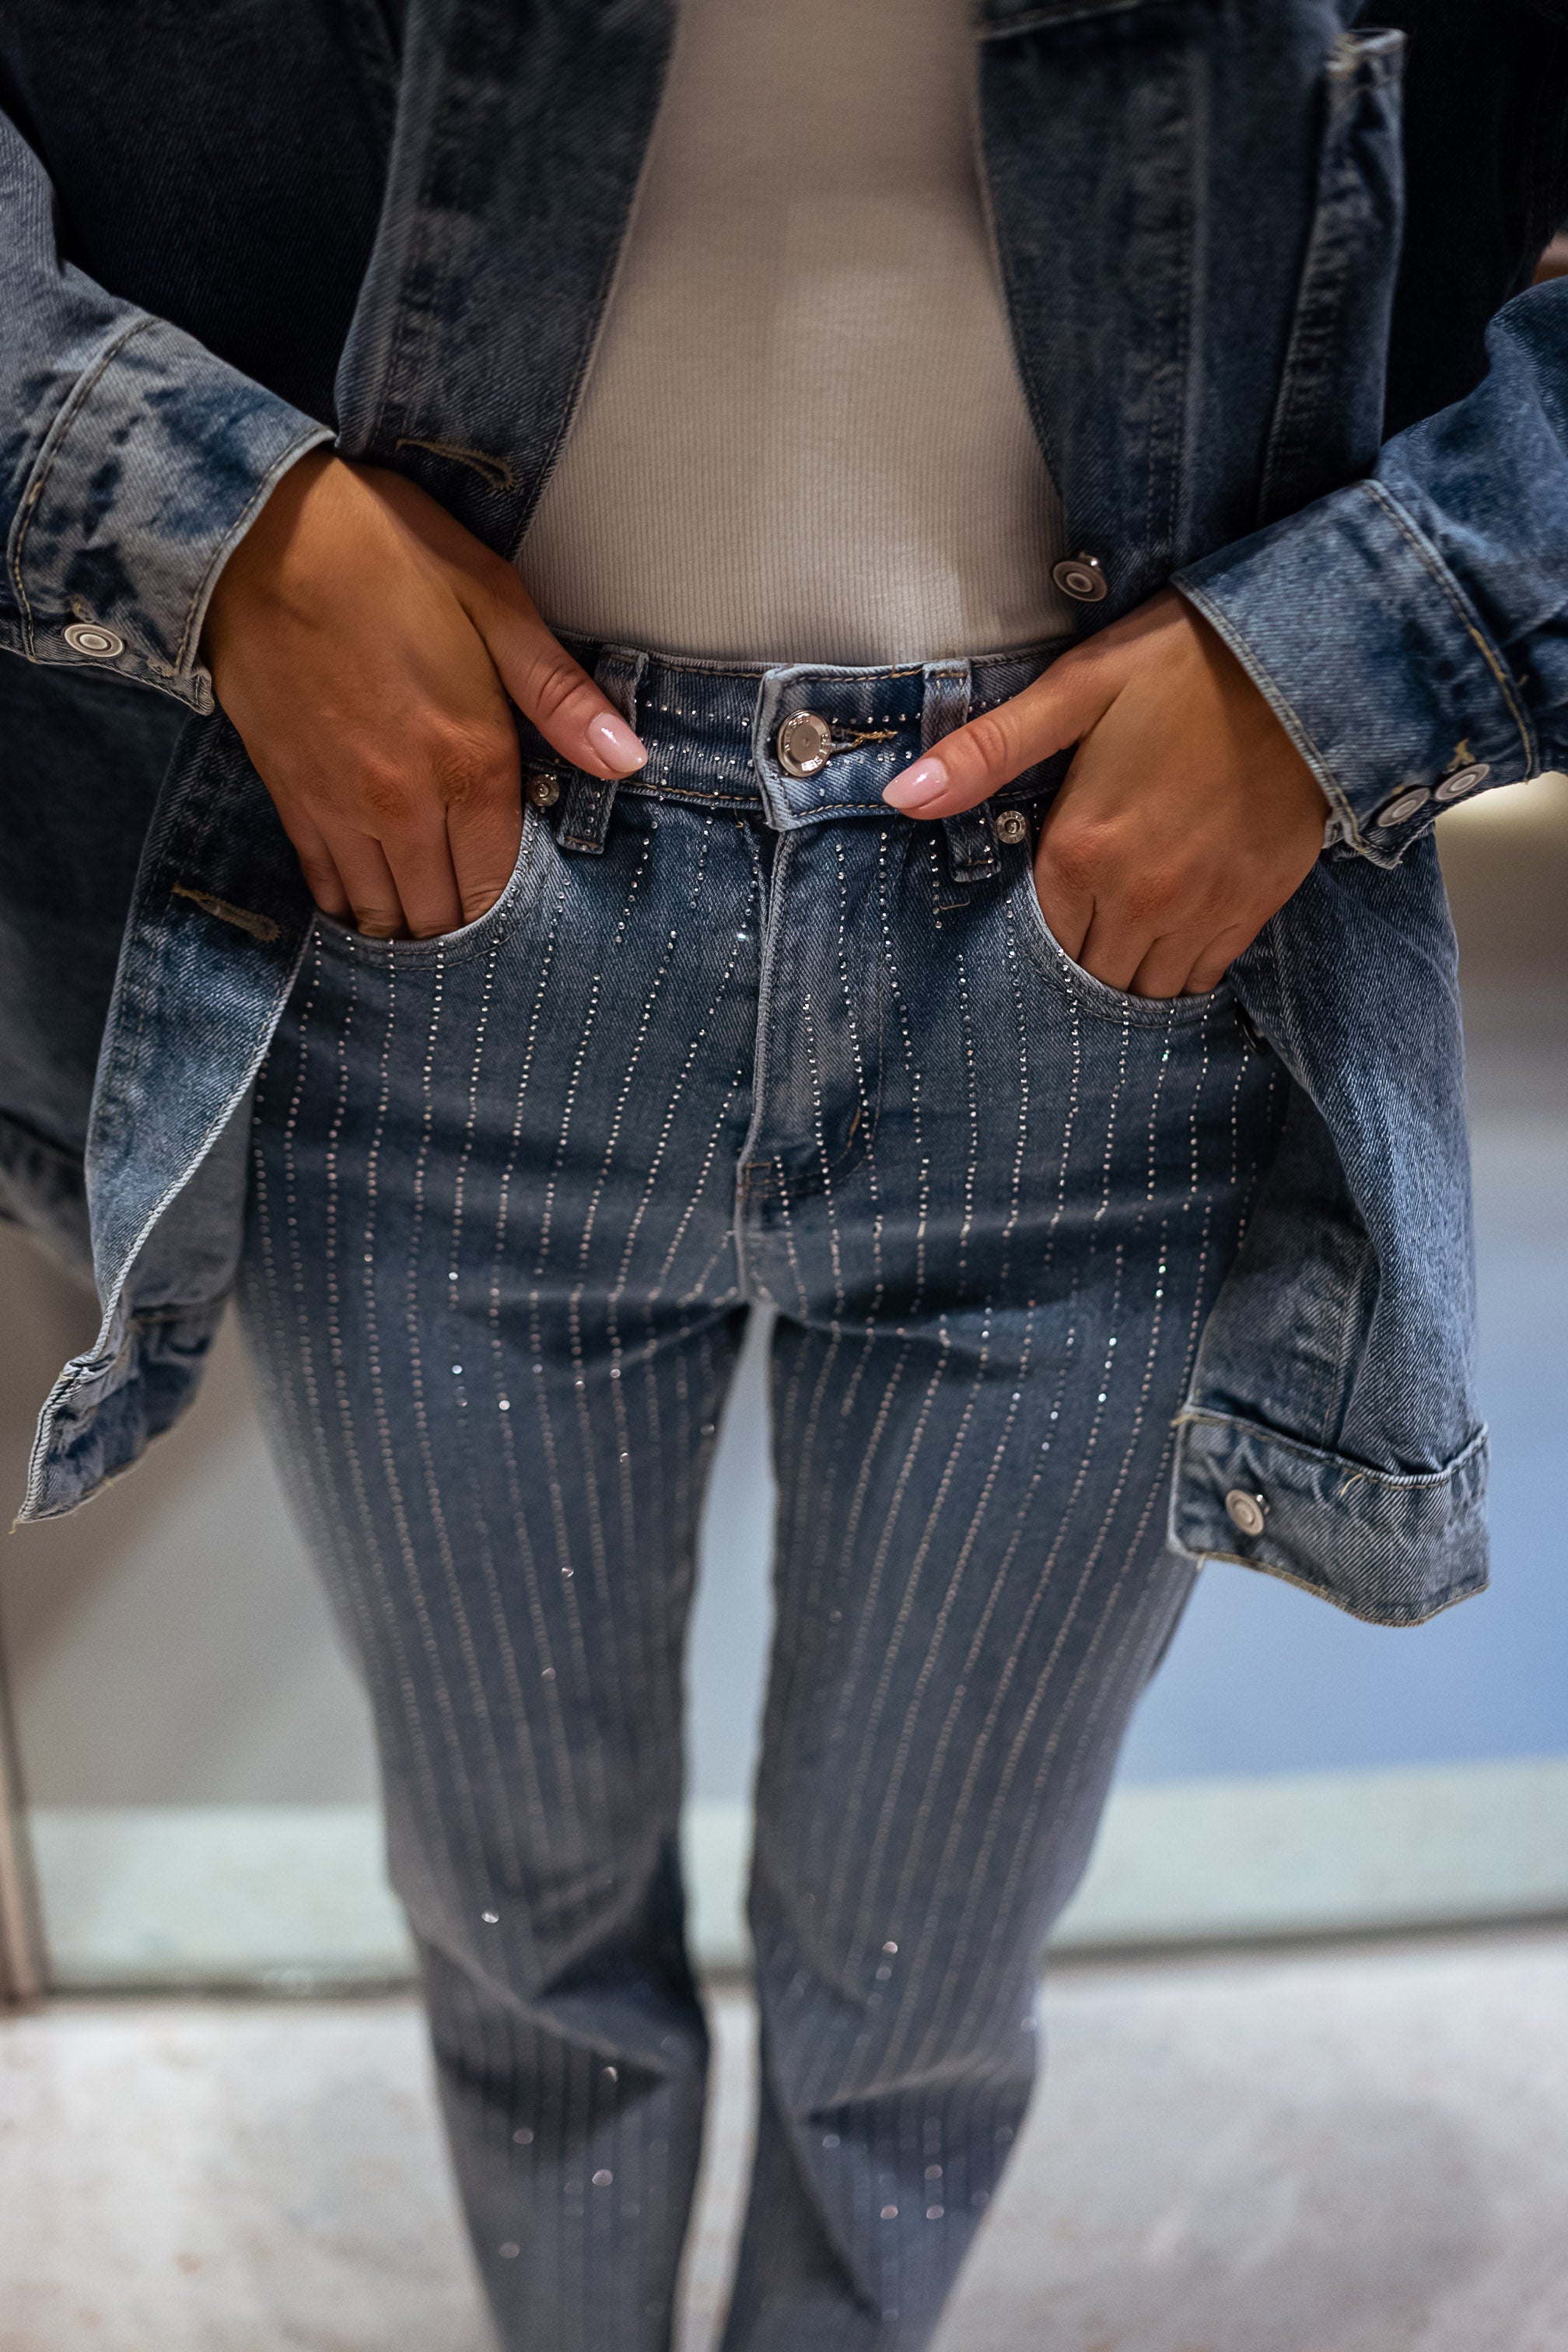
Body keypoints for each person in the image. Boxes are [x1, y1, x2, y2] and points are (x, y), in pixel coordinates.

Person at [1, 2, 1562, 2345]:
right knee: (521, 1950)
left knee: (919, 1992)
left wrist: (1354, 658)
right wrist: (213, 530)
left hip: (1109, 964)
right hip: (429, 914)